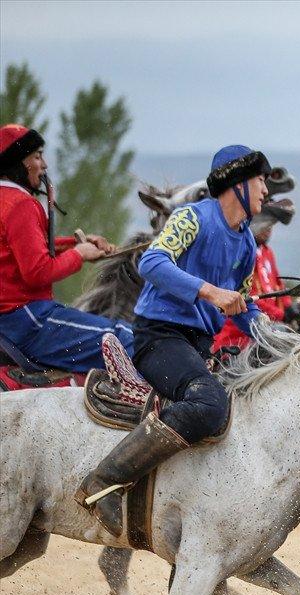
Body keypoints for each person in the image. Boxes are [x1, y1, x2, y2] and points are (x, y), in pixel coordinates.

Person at [76, 145, 271, 535]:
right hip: (159, 338)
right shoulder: (191, 218)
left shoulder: (248, 245)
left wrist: (275, 336)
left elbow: (243, 305)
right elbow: (152, 262)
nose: (267, 190)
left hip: (198, 345)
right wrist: (211, 292)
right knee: (209, 404)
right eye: (261, 180)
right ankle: (103, 482)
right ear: (237, 184)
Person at [0, 123, 129, 371]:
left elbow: (20, 249)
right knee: (125, 338)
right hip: (28, 321)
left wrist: (76, 244)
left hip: (10, 321)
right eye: (37, 156)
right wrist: (78, 255)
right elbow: (37, 271)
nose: (44, 165)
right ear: (19, 163)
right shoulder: (20, 204)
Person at [212, 200, 295, 352]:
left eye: (271, 225)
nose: (268, 229)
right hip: (240, 333)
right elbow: (246, 295)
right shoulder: (243, 254)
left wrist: (289, 306)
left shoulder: (267, 252)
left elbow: (278, 283)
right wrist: (280, 314)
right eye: (265, 223)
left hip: (270, 322)